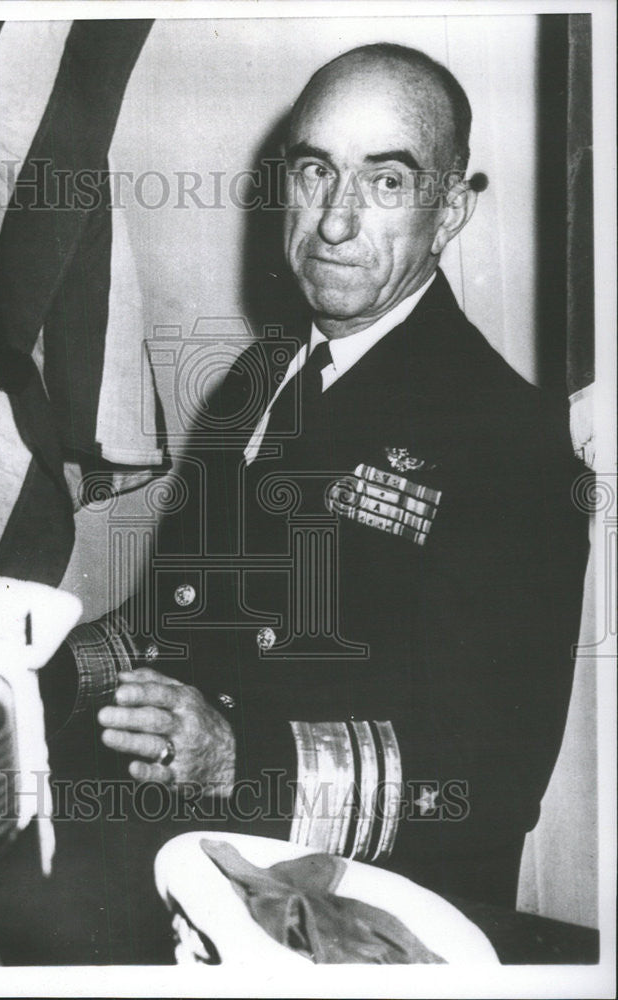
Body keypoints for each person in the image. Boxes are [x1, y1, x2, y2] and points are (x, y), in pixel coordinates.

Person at [31, 42, 588, 961]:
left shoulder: (512, 442)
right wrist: (37, 671)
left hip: (361, 923)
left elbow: (487, 781)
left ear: (450, 210)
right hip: (184, 869)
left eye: (387, 180)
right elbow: (181, 617)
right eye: (315, 170)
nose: (333, 221)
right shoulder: (253, 381)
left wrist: (234, 761)